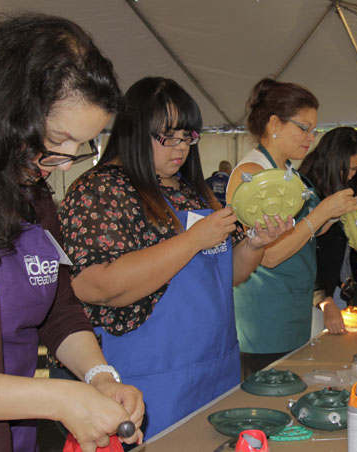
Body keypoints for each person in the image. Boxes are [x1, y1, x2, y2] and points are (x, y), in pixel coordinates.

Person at [59, 76, 290, 440]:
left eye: (188, 136)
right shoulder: (101, 189)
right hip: (143, 376)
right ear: (136, 130)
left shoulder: (191, 190)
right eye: (168, 136)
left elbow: (230, 274)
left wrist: (255, 244)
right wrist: (192, 240)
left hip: (214, 367)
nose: (181, 147)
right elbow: (95, 285)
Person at [0, 13, 145, 451]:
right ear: (6, 113)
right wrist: (59, 398)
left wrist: (99, 377)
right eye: (56, 139)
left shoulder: (31, 192)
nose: (63, 163)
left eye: (77, 147)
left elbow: (58, 307)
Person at [226, 78, 357, 376]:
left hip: (293, 310)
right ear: (275, 123)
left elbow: (303, 232)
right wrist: (322, 212)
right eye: (304, 128)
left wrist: (335, 214)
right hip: (264, 318)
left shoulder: (289, 173)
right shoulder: (252, 174)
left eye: (313, 130)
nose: (310, 137)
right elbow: (269, 254)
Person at [299, 127, 357, 334]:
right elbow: (301, 248)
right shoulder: (306, 187)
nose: (349, 174)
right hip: (313, 290)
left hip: (341, 283)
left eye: (355, 168)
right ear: (330, 159)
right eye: (345, 168)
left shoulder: (354, 180)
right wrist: (322, 297)